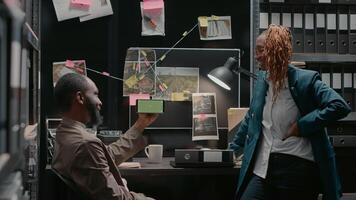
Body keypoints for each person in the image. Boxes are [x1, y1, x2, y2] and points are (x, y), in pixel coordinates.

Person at [229, 24, 351, 200]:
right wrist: (229, 152)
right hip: (263, 168)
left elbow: (339, 105)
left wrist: (302, 126)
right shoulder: (263, 80)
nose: (256, 56)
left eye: (260, 50)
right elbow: (251, 119)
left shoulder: (304, 80)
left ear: (275, 51)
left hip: (297, 167)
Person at [52, 73, 158, 200]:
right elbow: (114, 197)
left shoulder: (64, 132)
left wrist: (141, 124)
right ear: (80, 98)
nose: (100, 102)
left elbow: (108, 155)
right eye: (95, 94)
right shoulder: (85, 143)